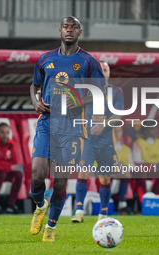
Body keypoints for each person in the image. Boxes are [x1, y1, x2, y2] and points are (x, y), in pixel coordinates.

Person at [29, 16, 106, 241]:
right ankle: (40, 206)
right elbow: (35, 84)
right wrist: (35, 102)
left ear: (80, 32)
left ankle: (51, 228)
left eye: (73, 27)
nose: (69, 31)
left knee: (60, 181)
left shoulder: (88, 62)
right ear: (59, 31)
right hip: (47, 122)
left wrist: (81, 102)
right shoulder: (45, 59)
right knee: (36, 175)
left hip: (72, 127)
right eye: (66, 27)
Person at [71, 61, 123, 224]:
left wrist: (103, 124)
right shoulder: (86, 90)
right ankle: (79, 211)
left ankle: (103, 213)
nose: (102, 72)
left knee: (105, 179)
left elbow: (118, 116)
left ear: (109, 73)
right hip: (88, 140)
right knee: (83, 173)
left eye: (105, 70)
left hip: (106, 142)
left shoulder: (116, 92)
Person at [113, 126, 133, 214]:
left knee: (125, 174)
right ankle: (122, 203)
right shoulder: (106, 147)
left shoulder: (126, 149)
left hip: (122, 173)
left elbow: (132, 166)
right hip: (108, 172)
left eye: (119, 131)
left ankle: (122, 204)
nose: (117, 134)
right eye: (115, 131)